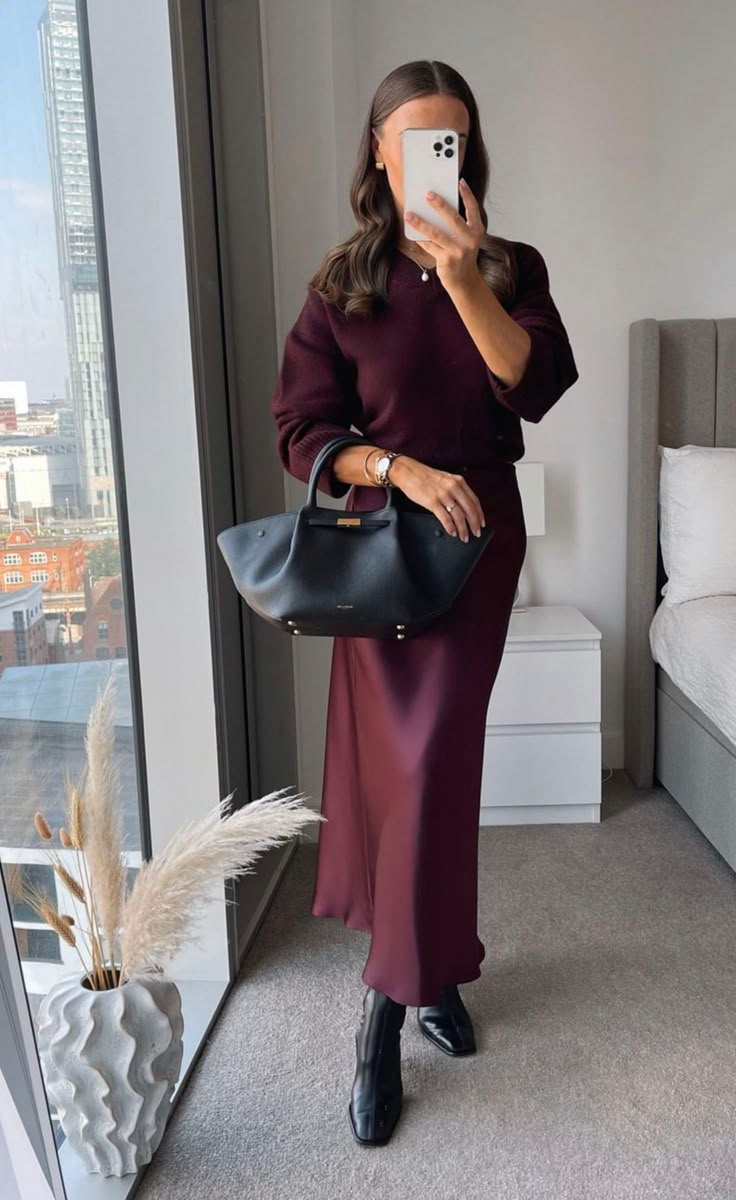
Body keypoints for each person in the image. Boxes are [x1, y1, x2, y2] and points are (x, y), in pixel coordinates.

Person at [270, 59, 579, 1146]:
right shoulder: (341, 283)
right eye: (414, 140)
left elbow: (535, 385)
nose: (434, 158)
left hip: (477, 548)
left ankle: (380, 1019)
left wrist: (461, 276)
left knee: (435, 765)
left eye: (452, 139)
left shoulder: (509, 266)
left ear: (469, 152)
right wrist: (396, 469)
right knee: (398, 779)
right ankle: (428, 979)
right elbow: (303, 430)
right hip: (383, 550)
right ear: (380, 152)